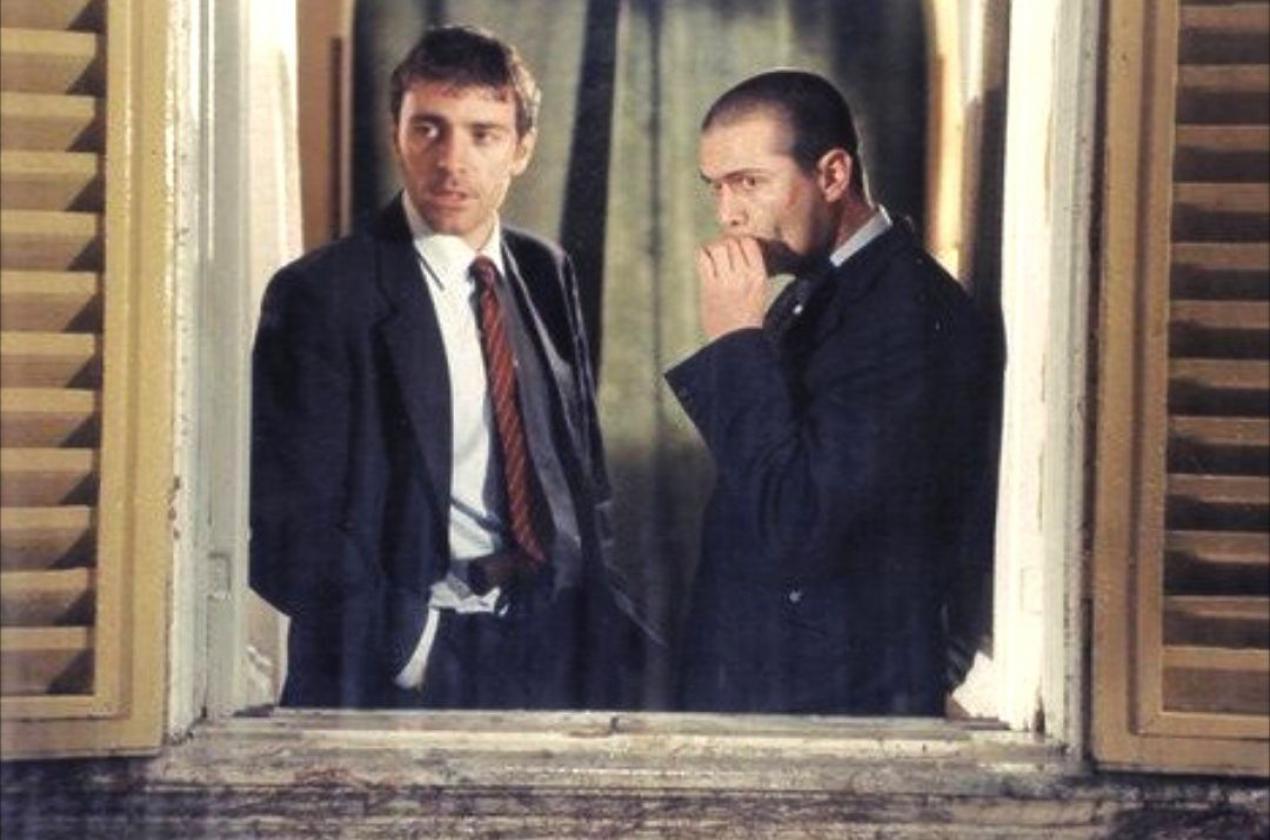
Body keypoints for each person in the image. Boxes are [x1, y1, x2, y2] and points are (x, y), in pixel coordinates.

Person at [250, 25, 639, 709]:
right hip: (396, 668)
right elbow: (284, 528)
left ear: (522, 149)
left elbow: (583, 477)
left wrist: (590, 620)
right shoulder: (320, 294)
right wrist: (419, 650)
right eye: (428, 129)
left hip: (547, 654)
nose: (451, 160)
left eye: (483, 134)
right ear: (396, 135)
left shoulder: (544, 270)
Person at [666, 70, 1001, 715]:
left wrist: (736, 341)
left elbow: (799, 522)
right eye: (716, 187)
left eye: (749, 182)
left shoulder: (904, 310)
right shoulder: (825, 287)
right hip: (774, 695)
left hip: (831, 707)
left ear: (833, 175)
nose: (727, 213)